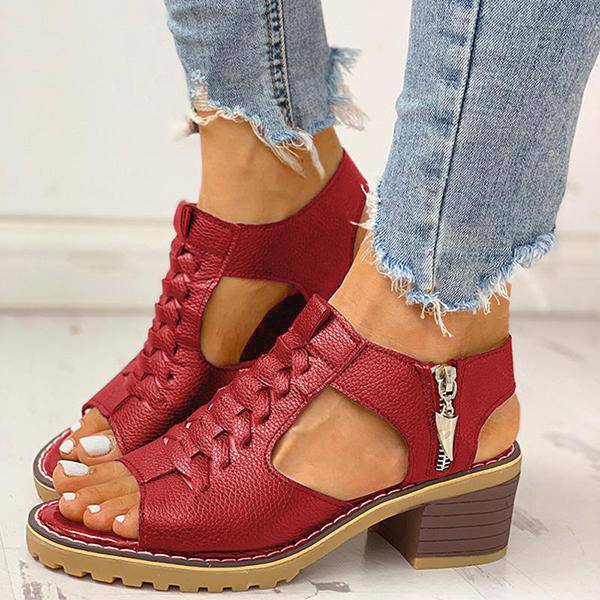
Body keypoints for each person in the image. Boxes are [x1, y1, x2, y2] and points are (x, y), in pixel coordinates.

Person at [27, 0, 600, 591]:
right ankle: (278, 169)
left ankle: (429, 317)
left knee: (432, 286)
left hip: (433, 351)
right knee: (266, 139)